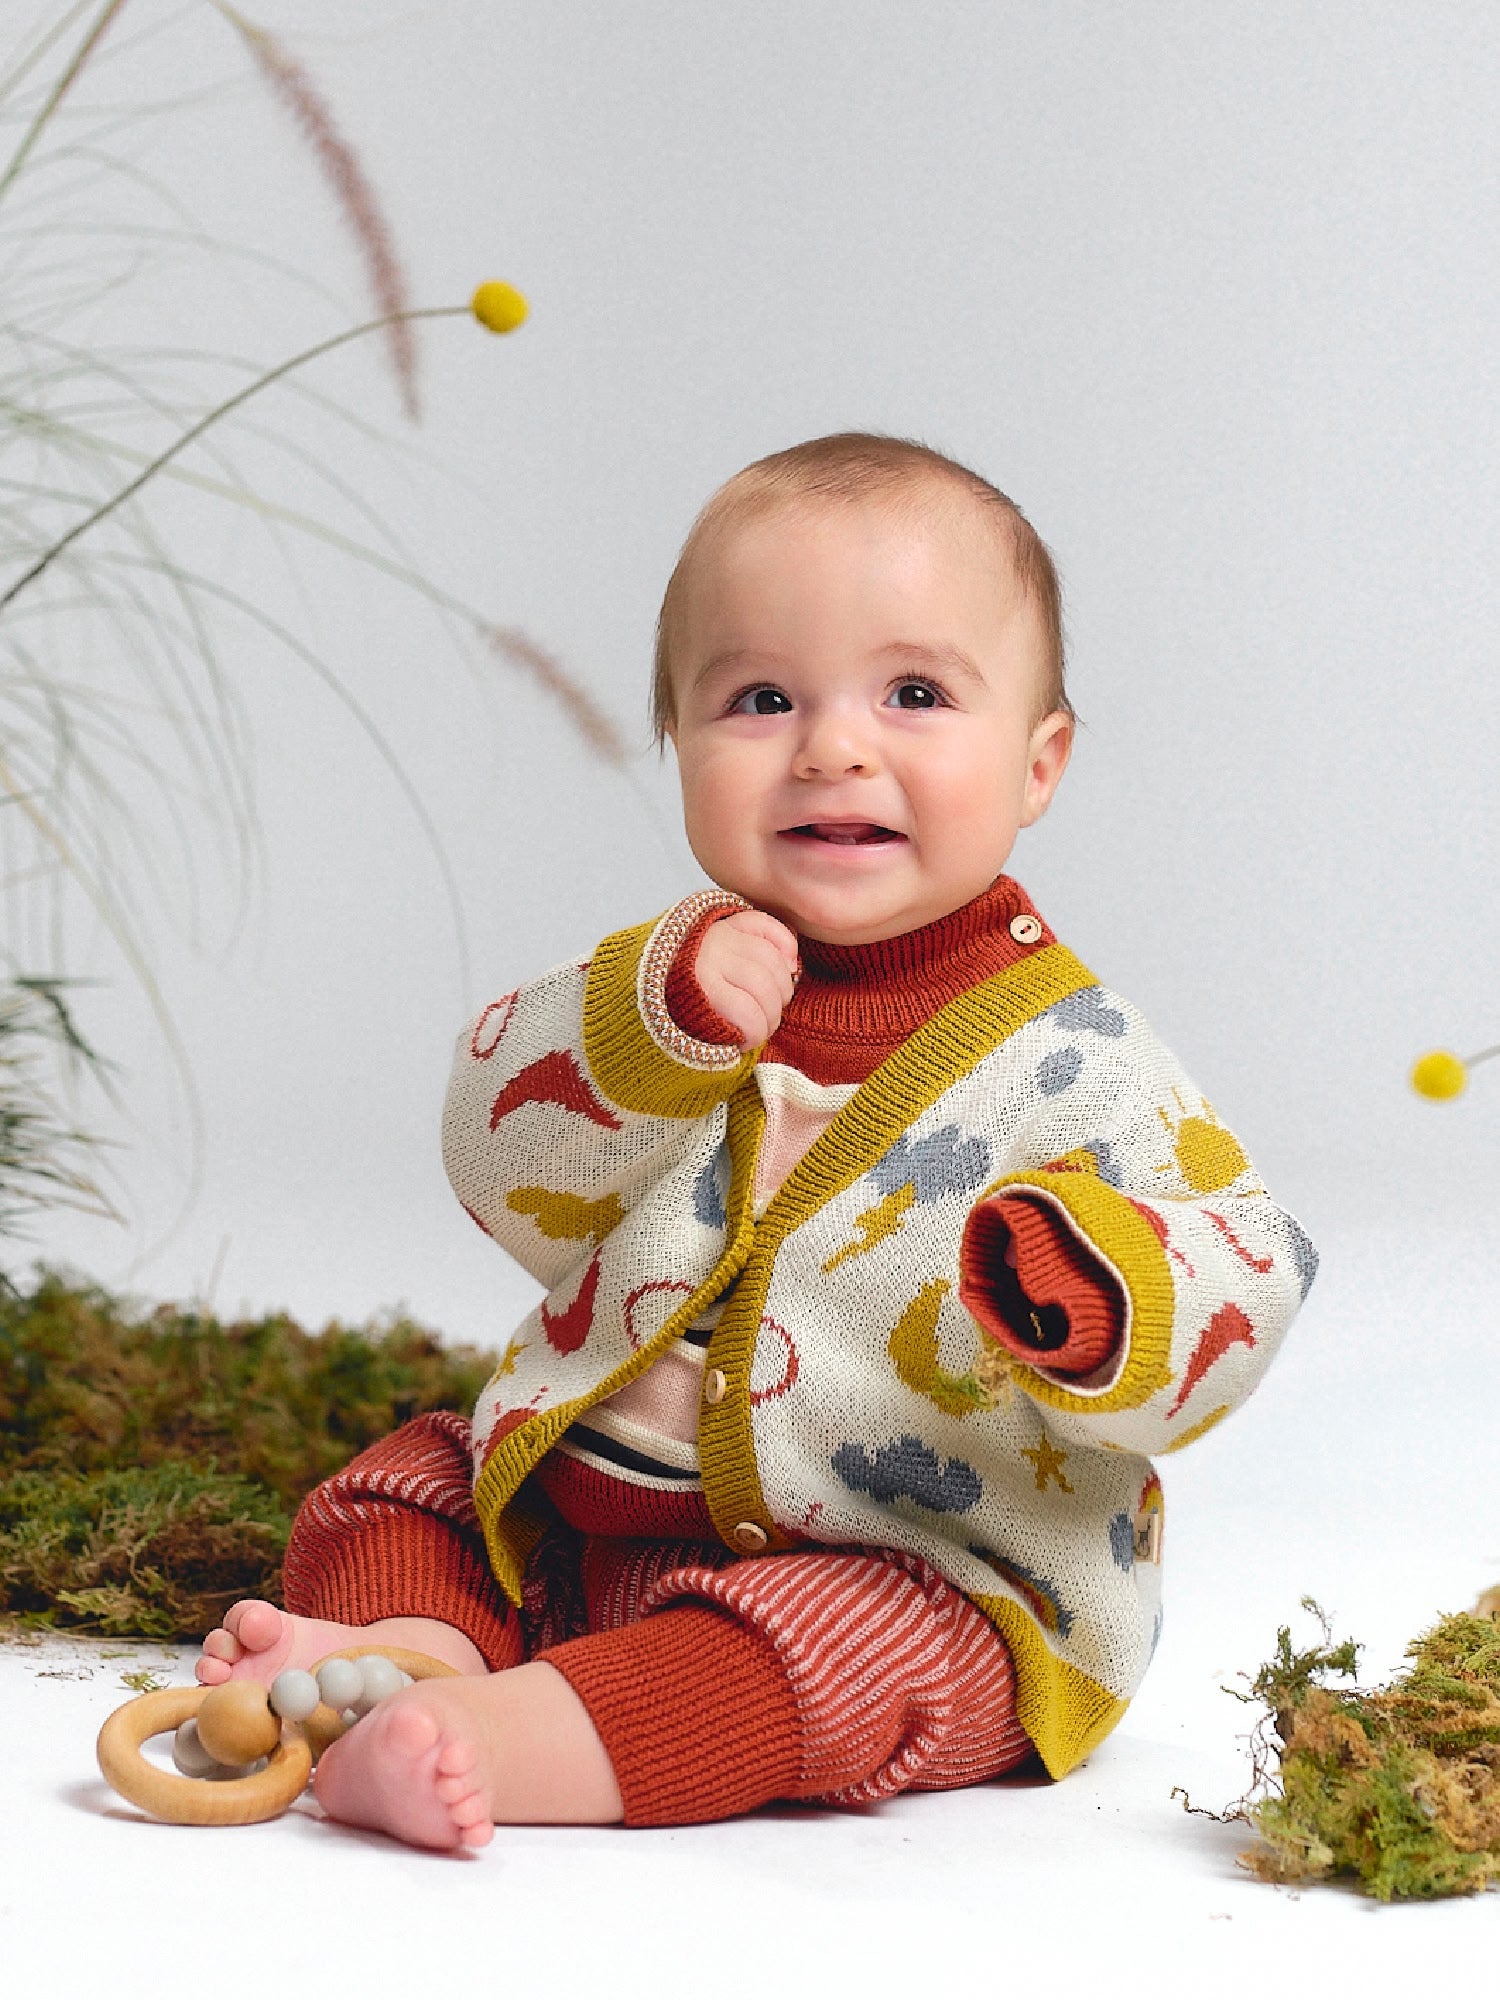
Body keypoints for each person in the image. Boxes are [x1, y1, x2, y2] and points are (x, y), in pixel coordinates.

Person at [194, 432, 1317, 1851]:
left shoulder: (1084, 1067)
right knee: (403, 1483)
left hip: (922, 1572)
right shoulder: (667, 993)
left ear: (1040, 764)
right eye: (761, 697)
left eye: (914, 693)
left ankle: (505, 1743)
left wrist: (1104, 1288)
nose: (832, 746)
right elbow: (497, 1159)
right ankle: (413, 1651)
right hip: (590, 1524)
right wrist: (642, 1029)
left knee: (815, 1658)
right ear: (678, 743)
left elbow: (1249, 1265)